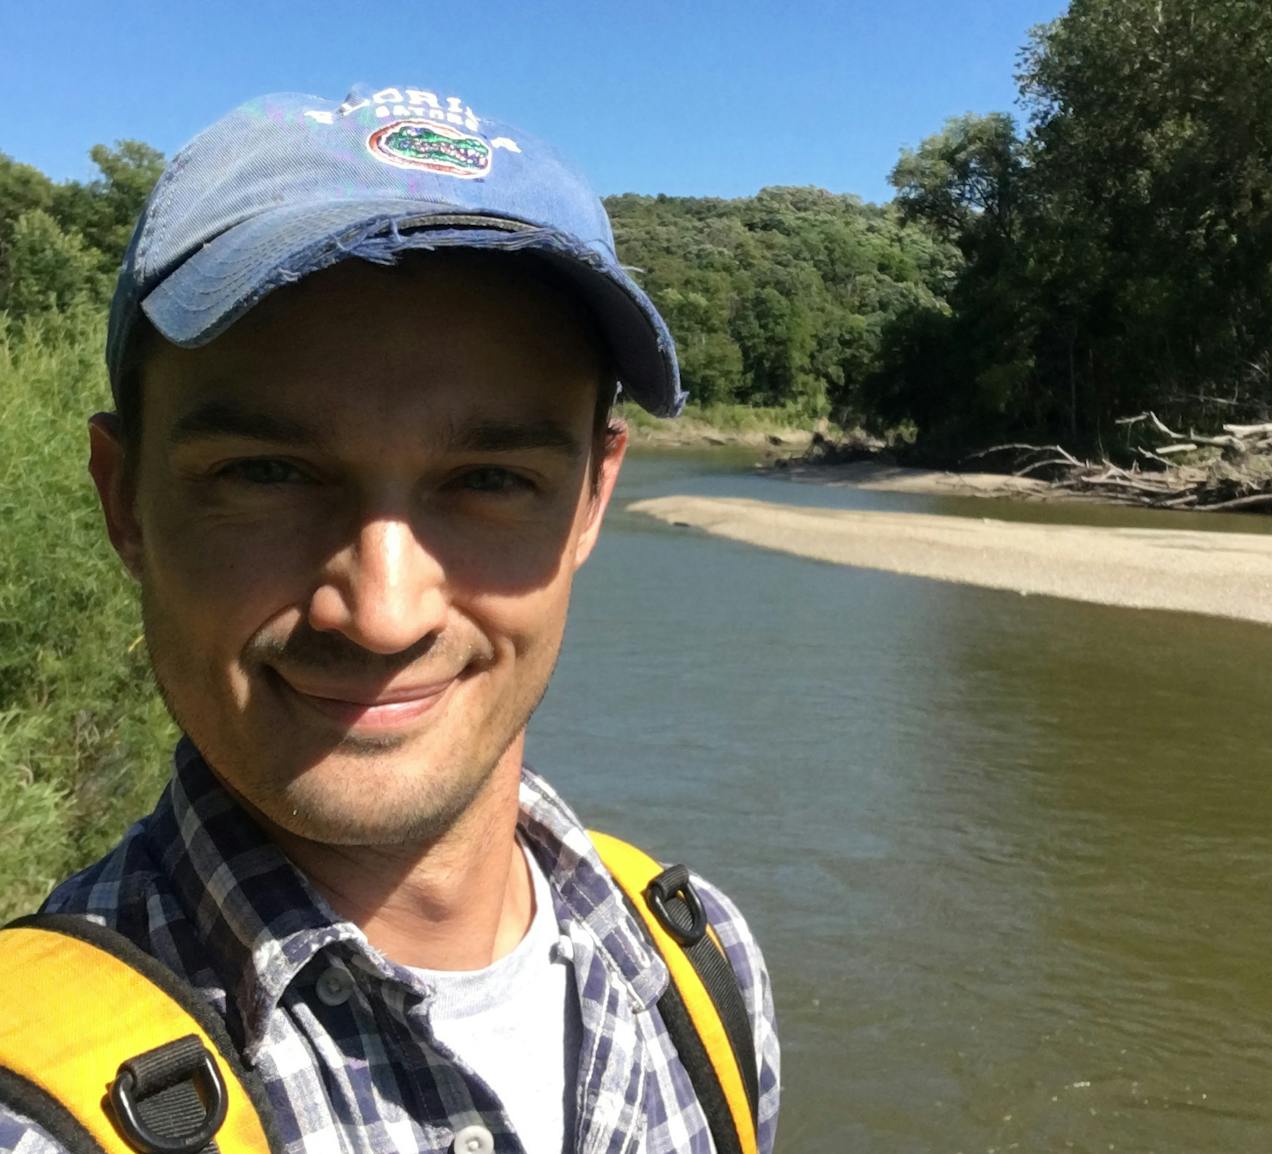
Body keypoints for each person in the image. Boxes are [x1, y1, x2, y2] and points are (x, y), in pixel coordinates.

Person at [0, 83, 779, 1154]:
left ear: (591, 501)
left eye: (489, 478)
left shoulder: (701, 970)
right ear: (122, 499)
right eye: (266, 472)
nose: (381, 610)